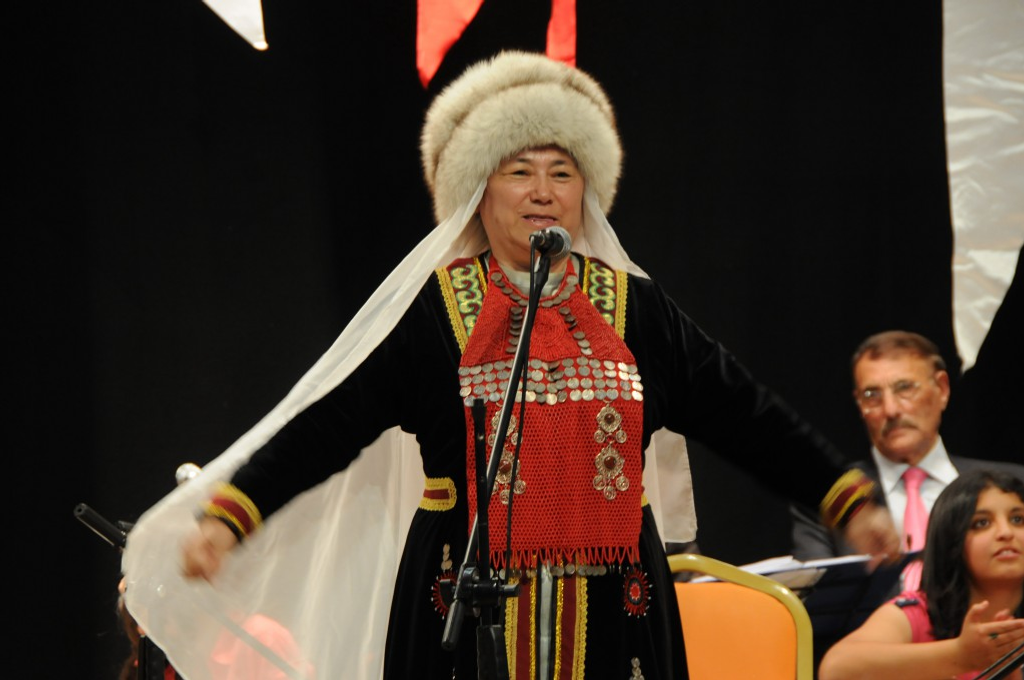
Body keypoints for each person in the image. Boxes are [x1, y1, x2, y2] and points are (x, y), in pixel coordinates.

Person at [122, 51, 900, 680]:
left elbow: (743, 412)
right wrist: (234, 514)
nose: (543, 193)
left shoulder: (636, 310)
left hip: (615, 607)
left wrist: (843, 497)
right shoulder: (436, 313)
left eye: (562, 172)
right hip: (463, 600)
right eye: (519, 170)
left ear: (587, 190)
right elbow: (331, 422)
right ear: (477, 188)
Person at [791, 330, 1024, 564]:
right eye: (872, 395)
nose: (890, 409)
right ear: (859, 404)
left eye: (905, 388)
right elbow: (814, 586)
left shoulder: (1015, 484)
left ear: (942, 389)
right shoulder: (832, 499)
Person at [818, 469, 1024, 680]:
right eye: (982, 523)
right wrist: (960, 655)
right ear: (951, 541)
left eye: (1018, 519)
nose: (1006, 532)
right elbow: (837, 670)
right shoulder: (920, 613)